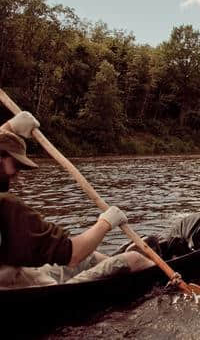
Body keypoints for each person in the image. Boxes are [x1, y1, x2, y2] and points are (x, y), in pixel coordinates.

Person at [0, 111, 154, 288]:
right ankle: (156, 275)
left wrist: (10, 127)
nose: (17, 175)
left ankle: (116, 265)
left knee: (92, 257)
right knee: (133, 259)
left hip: (19, 276)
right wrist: (106, 223)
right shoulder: (8, 207)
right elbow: (73, 254)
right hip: (32, 289)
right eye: (17, 165)